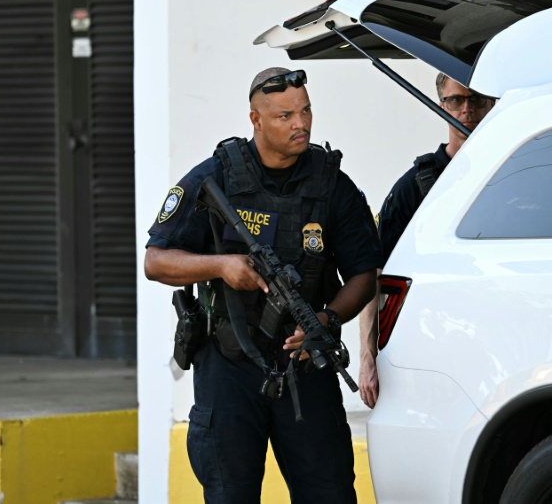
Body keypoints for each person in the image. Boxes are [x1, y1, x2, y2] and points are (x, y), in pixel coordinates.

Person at [145, 67, 382, 503]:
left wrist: (326, 320)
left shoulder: (332, 186)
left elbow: (365, 275)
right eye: (285, 115)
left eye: (306, 110)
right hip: (229, 368)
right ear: (255, 119)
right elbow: (156, 261)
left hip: (306, 365)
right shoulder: (214, 178)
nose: (301, 124)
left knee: (328, 492)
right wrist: (221, 266)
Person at [358, 73, 495, 409]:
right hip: (432, 352)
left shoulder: (514, 174)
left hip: (498, 343)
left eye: (476, 99)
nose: (467, 110)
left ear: (491, 103)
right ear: (441, 106)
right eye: (456, 100)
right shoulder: (415, 186)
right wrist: (367, 357)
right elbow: (371, 273)